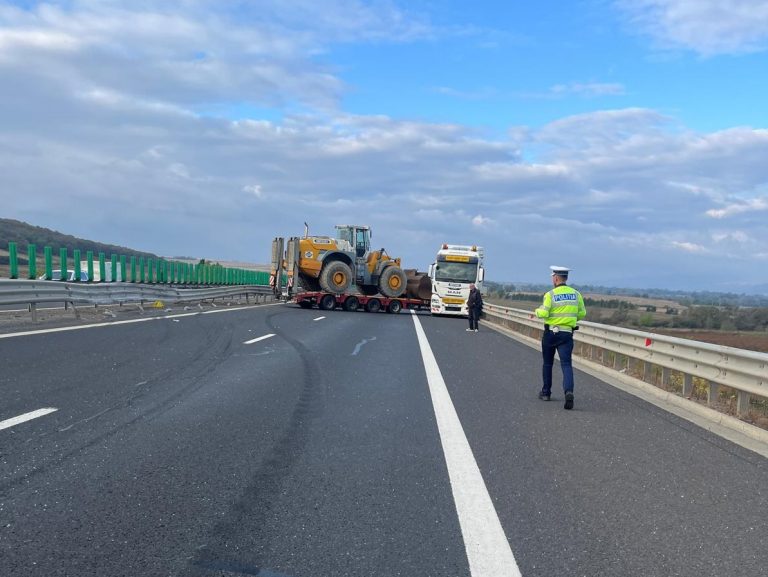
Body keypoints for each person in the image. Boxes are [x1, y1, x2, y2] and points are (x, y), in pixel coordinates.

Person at [534, 266, 586, 409]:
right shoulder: (576, 294)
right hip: (567, 334)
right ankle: (568, 392)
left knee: (548, 363)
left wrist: (537, 311)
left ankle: (546, 392)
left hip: (551, 333)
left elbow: (544, 313)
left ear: (556, 278)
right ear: (566, 278)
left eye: (553, 277)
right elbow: (582, 313)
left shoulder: (550, 294)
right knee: (566, 364)